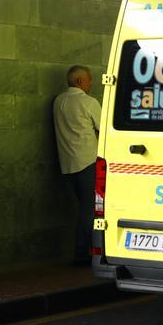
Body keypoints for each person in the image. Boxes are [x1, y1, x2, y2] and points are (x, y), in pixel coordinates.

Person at [53, 65, 101, 265]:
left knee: (84, 209)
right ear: (80, 81)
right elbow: (103, 128)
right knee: (89, 210)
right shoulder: (88, 102)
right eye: (89, 79)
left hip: (67, 165)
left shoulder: (58, 101)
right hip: (88, 162)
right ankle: (82, 255)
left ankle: (85, 252)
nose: (91, 83)